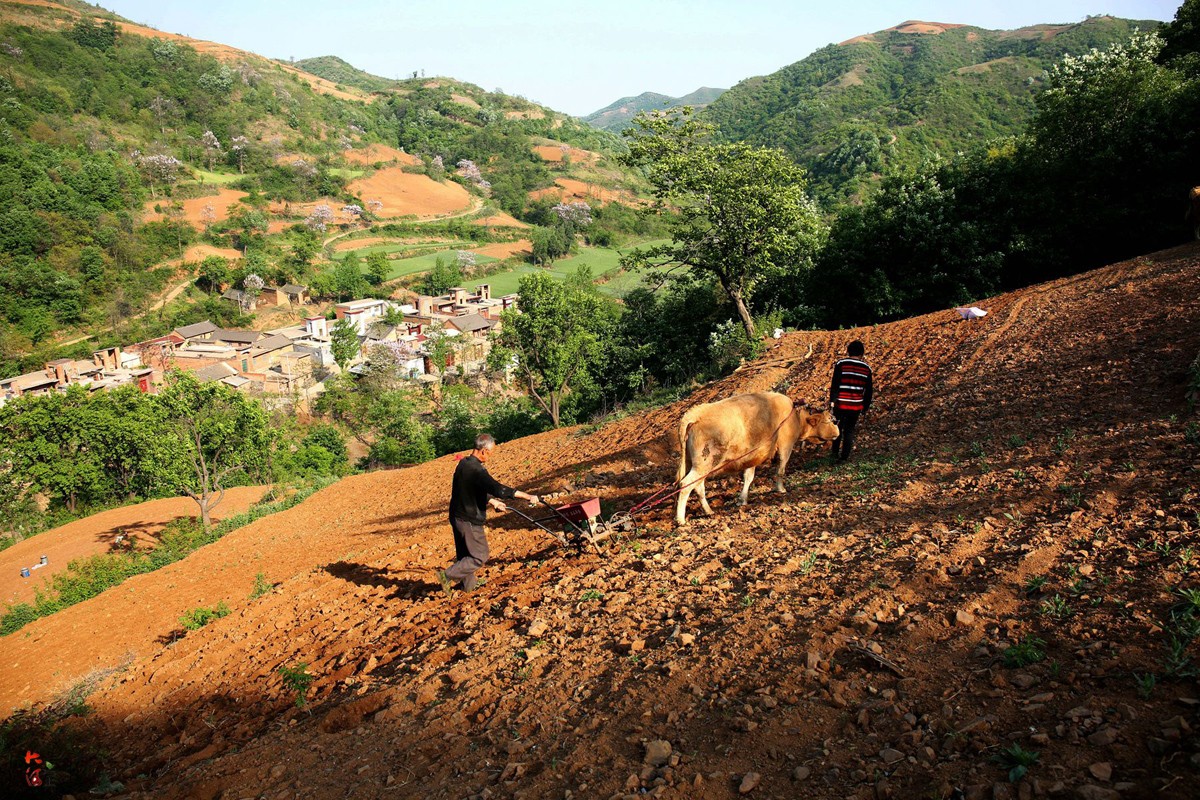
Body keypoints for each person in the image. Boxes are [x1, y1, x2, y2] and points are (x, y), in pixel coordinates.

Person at [437, 433, 539, 596]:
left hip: (457, 515)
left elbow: (475, 488)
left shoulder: (464, 464)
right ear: (483, 451)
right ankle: (446, 576)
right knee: (479, 556)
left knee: (465, 554)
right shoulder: (476, 470)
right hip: (468, 518)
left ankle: (468, 587)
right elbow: (498, 489)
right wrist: (527, 496)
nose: (490, 457)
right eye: (490, 453)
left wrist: (493, 502)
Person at [829, 340, 873, 462]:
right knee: (849, 430)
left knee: (837, 428)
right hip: (855, 406)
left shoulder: (841, 364)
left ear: (848, 351)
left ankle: (834, 453)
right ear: (862, 354)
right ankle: (844, 457)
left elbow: (835, 384)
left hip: (840, 404)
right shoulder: (866, 369)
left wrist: (832, 401)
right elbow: (868, 391)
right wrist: (865, 407)